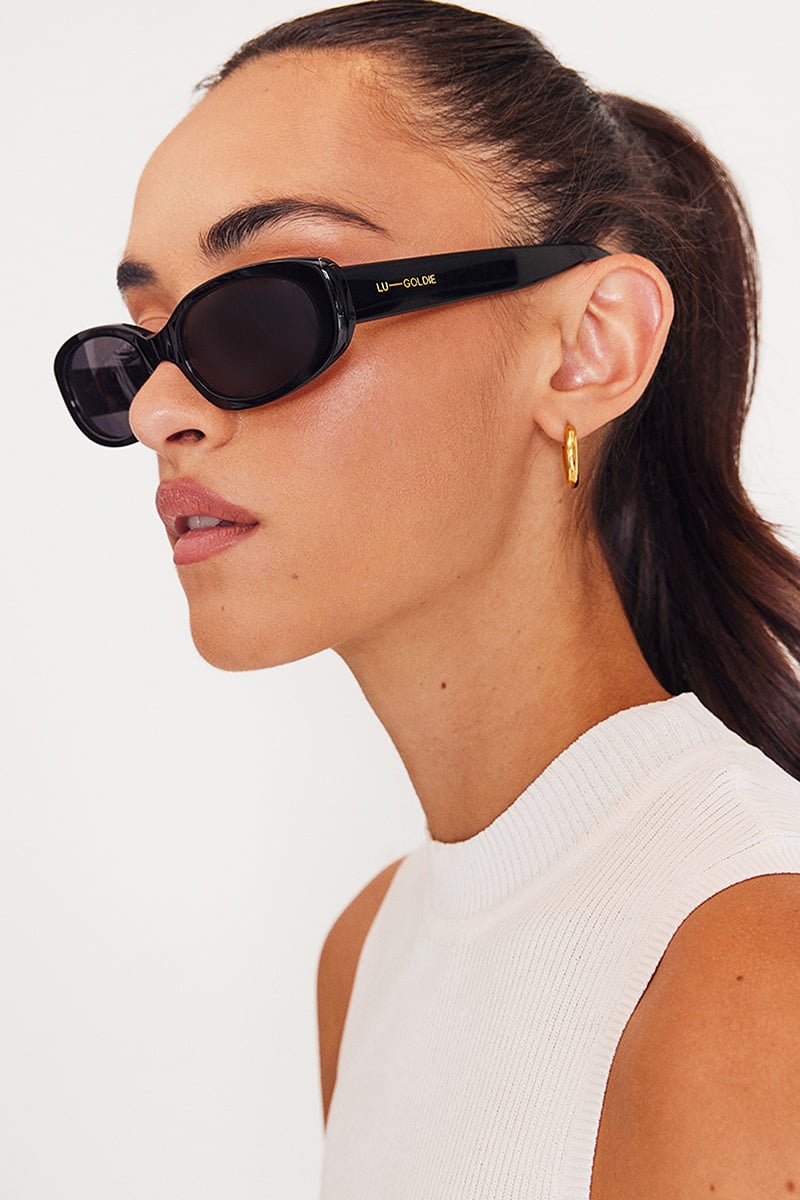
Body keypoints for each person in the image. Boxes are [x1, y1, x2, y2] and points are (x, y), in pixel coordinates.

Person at [53, 1, 800, 1195]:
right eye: (137, 350)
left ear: (587, 347)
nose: (156, 412)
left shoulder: (752, 958)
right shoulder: (370, 951)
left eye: (262, 312)